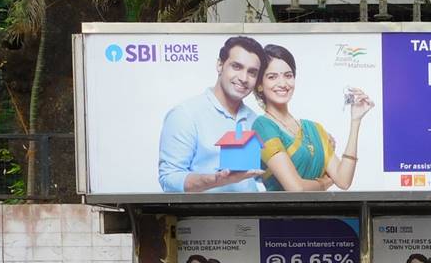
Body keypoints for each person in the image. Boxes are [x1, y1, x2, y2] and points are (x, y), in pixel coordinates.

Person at [252, 44, 375, 192]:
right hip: (283, 213)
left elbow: (343, 180)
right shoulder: (263, 126)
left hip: (320, 211)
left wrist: (355, 120)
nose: (283, 83)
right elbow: (296, 188)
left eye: (288, 75)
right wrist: (325, 183)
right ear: (259, 84)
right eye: (272, 77)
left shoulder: (314, 128)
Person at [157, 36, 268, 193]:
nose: (243, 78)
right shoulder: (185, 115)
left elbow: (259, 176)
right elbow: (169, 179)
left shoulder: (256, 121)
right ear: (220, 65)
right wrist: (216, 180)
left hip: (252, 215)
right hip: (203, 216)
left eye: (252, 72)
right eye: (236, 67)